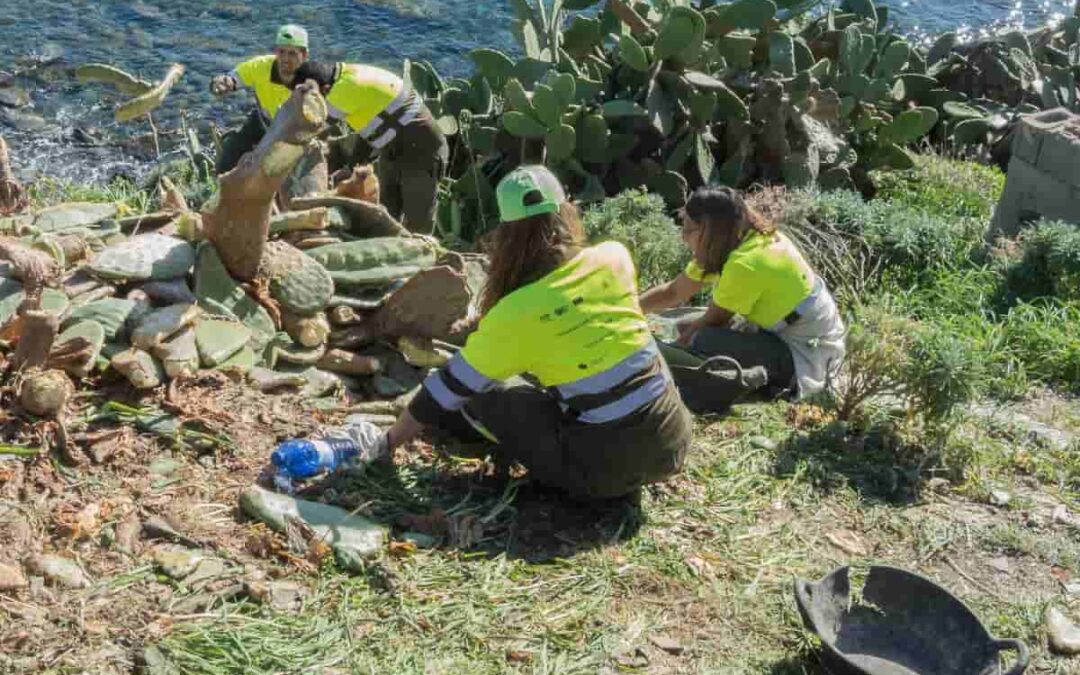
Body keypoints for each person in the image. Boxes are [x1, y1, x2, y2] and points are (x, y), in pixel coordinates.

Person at [380, 165, 693, 501]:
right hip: (674, 442)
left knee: (489, 392)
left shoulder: (516, 312)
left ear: (507, 232)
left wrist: (387, 442)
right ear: (567, 209)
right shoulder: (614, 257)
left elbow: (447, 387)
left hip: (601, 476)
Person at [640, 186, 845, 406]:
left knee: (701, 338)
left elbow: (709, 324)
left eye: (688, 230)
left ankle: (769, 381)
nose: (682, 237)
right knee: (685, 325)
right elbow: (674, 292)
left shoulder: (746, 263)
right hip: (780, 330)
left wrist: (667, 354)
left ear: (709, 231)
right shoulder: (735, 238)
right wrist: (626, 308)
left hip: (806, 353)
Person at [288, 60, 448, 234]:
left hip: (421, 150)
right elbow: (367, 128)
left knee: (417, 221)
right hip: (393, 147)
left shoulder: (343, 91)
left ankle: (423, 258)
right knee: (388, 214)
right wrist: (351, 166)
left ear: (325, 89)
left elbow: (310, 131)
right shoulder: (343, 76)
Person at [210, 24, 310, 174]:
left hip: (296, 133)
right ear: (275, 51)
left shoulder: (314, 78)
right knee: (229, 157)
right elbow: (232, 79)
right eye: (281, 52)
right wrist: (221, 84)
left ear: (304, 55)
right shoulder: (261, 66)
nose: (285, 59)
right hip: (263, 123)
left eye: (292, 53)